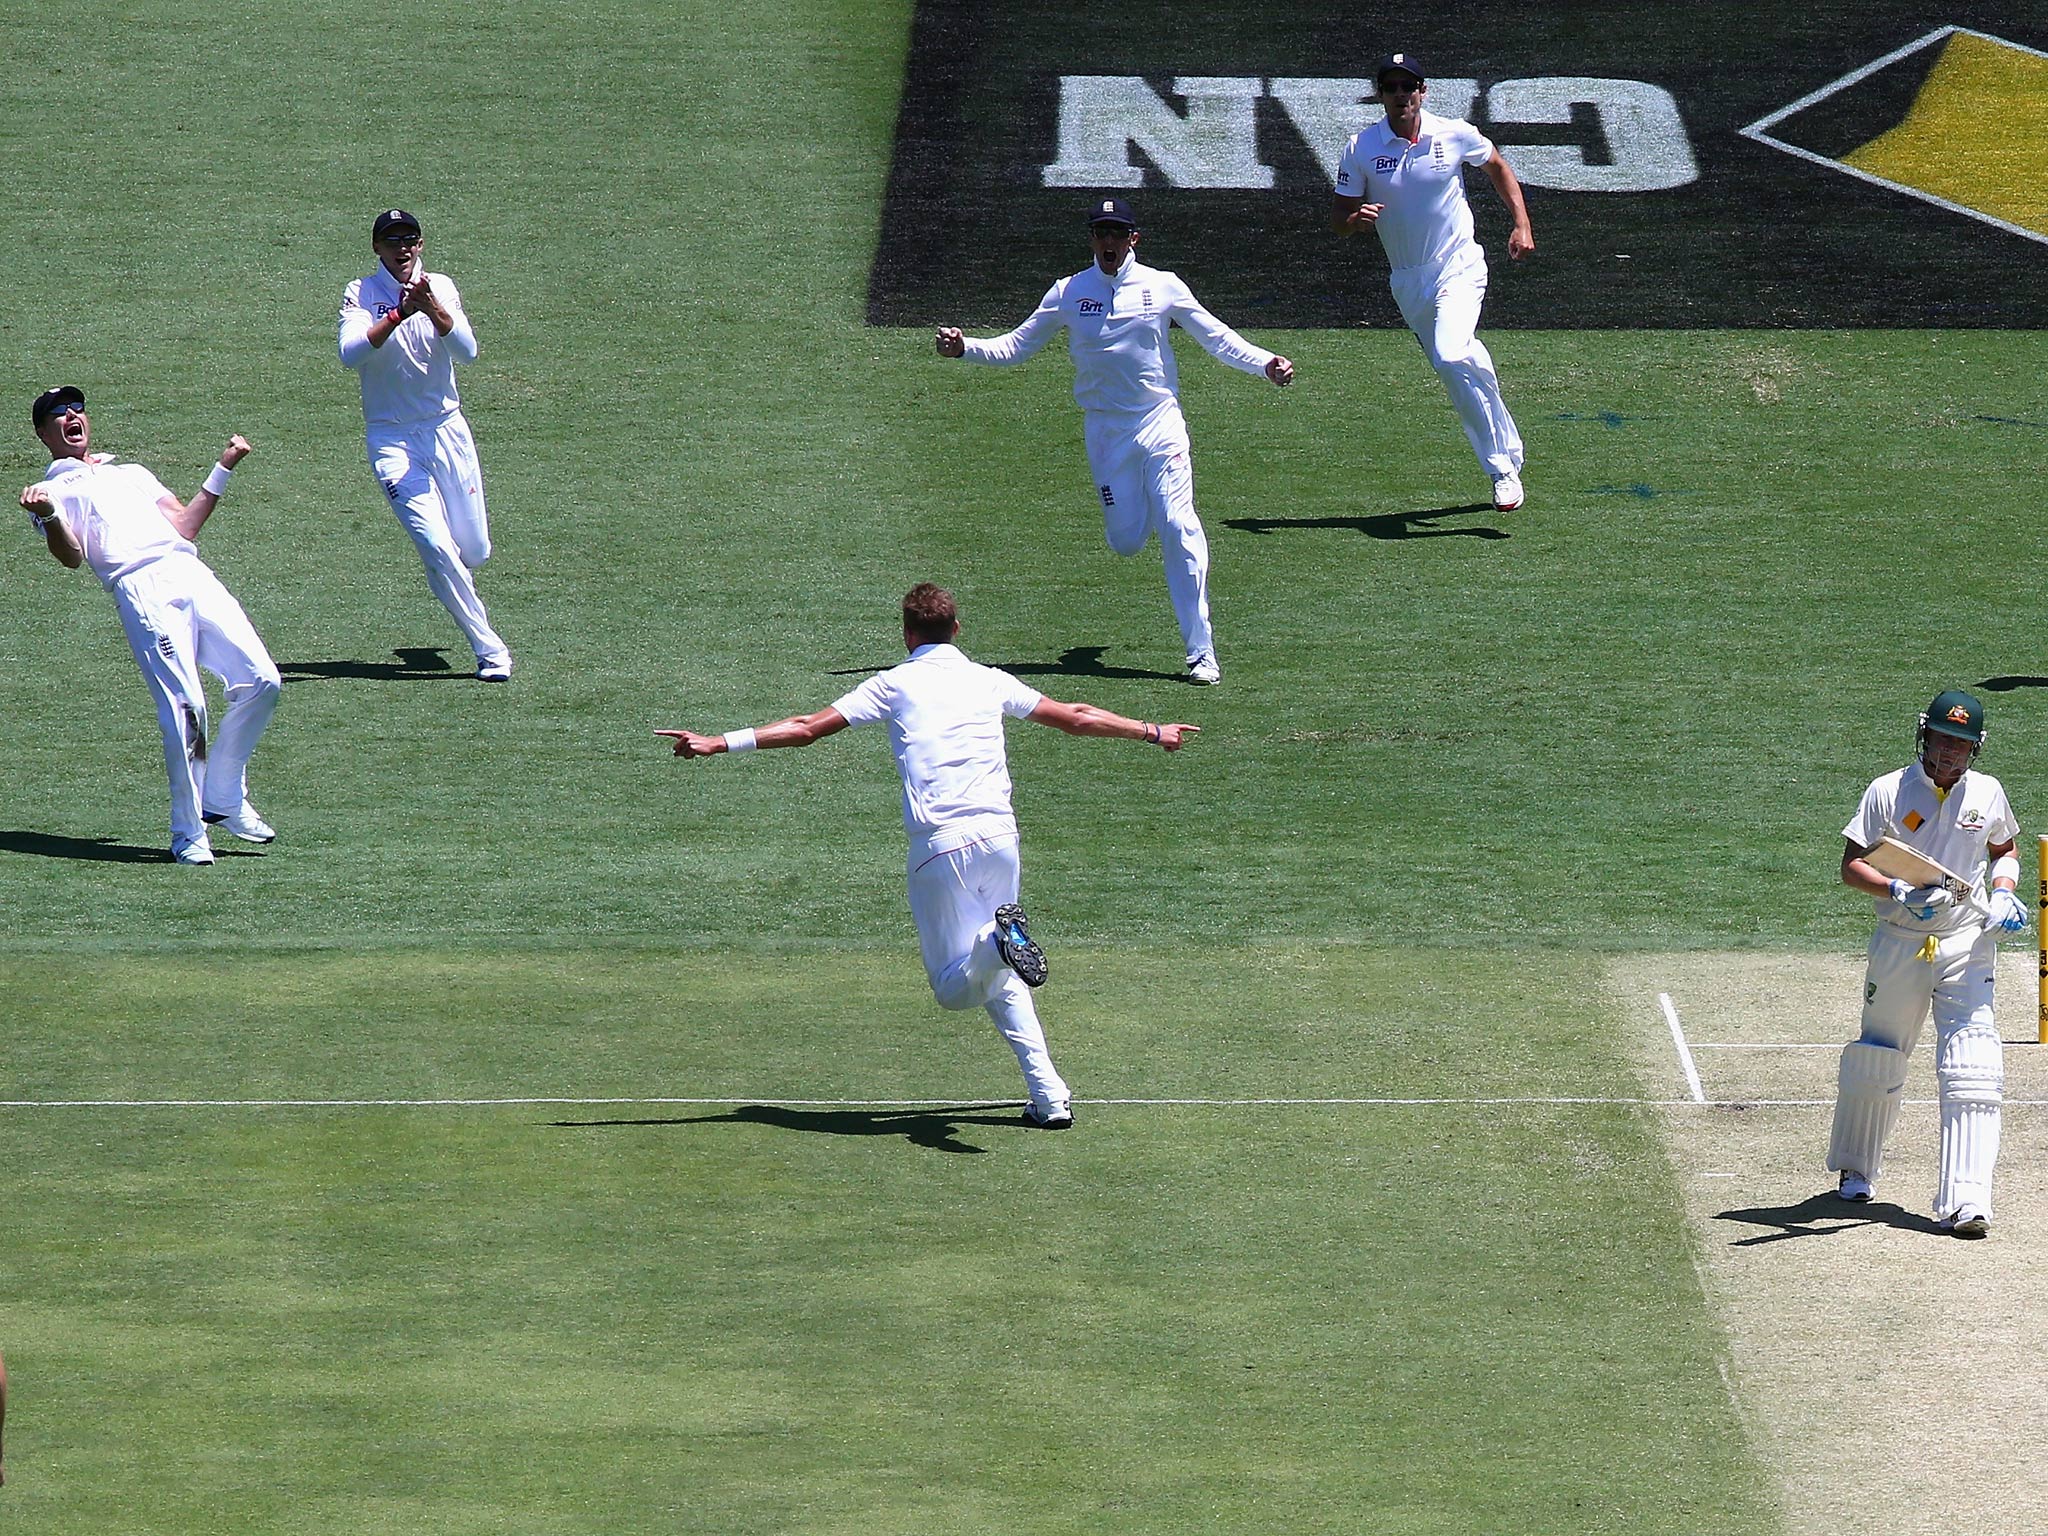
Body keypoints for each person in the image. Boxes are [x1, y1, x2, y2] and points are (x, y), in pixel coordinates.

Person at [657, 582, 1198, 1127]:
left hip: (940, 847)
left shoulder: (893, 684)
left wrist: (720, 741)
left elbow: (804, 730)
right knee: (999, 977)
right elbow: (1076, 715)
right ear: (956, 630)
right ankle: (1050, 1097)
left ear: (908, 634)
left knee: (953, 987)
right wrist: (1152, 730)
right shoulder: (989, 680)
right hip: (1000, 840)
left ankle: (995, 942)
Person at [936, 198, 1293, 687]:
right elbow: (1017, 345)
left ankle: (1201, 652)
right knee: (1126, 541)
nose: (1109, 241)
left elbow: (1215, 335)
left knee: (1178, 525)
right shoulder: (1068, 292)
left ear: (1133, 239)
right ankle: (1140, 504)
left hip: (1159, 422)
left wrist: (1264, 363)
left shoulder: (1162, 285)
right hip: (1106, 432)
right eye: (1100, 232)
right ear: (1091, 239)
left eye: (1117, 232)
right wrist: (965, 348)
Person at [20, 387, 281, 866]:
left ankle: (222, 795)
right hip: (140, 589)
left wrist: (223, 467)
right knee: (187, 707)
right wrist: (50, 516)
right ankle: (188, 834)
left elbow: (184, 524)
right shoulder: (51, 491)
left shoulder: (132, 472)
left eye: (77, 408)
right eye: (58, 413)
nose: (72, 415)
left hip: (191, 572)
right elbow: (72, 556)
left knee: (263, 680)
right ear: (43, 434)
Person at [1829, 690, 2026, 1237]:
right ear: (1925, 736)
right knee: (1878, 1058)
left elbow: (2003, 850)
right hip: (1900, 939)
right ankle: (1856, 1168)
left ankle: (1967, 1201)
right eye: (1942, 738)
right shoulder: (1888, 790)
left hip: (1965, 941)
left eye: (1961, 744)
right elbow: (1851, 866)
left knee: (1974, 1065)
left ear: (1975, 749)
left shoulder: (1987, 792)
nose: (1949, 752)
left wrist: (2006, 892)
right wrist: (1894, 886)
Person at [1330, 52, 1533, 513]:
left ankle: (1502, 469)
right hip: (1408, 280)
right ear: (1381, 95)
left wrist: (1521, 224)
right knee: (1459, 362)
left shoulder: (1454, 133)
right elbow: (1339, 217)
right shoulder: (1361, 147)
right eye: (1392, 88)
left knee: (1449, 353)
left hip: (1459, 265)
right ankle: (1486, 389)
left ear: (1423, 92)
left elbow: (1497, 166)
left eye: (1409, 87)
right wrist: (1354, 221)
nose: (1401, 95)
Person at [339, 209, 511, 682]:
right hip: (391, 439)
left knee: (471, 552)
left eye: (410, 239)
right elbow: (350, 354)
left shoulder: (442, 285)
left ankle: (454, 587)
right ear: (377, 248)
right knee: (435, 543)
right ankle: (490, 650)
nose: (403, 248)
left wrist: (431, 305)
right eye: (392, 241)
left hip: (446, 429)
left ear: (421, 244)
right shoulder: (361, 292)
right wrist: (398, 313)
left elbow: (468, 352)